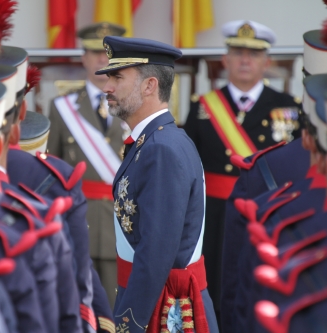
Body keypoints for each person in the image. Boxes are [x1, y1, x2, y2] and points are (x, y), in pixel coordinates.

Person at [94, 36, 218, 333]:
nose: (107, 87)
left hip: (162, 312)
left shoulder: (161, 148)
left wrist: (128, 323)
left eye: (117, 77)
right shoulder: (155, 141)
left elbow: (155, 252)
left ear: (150, 85)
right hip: (154, 301)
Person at [183, 20, 302, 321]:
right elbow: (188, 168)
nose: (245, 60)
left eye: (254, 53)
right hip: (214, 217)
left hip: (267, 214)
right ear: (225, 59)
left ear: (267, 60)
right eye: (237, 52)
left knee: (260, 287)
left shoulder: (288, 106)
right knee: (217, 285)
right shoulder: (202, 107)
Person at [47, 22, 126, 306]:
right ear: (83, 57)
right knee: (83, 304)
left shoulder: (135, 105)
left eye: (108, 53)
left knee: (121, 308)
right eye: (94, 52)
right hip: (80, 221)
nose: (102, 59)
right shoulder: (62, 108)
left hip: (124, 222)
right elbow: (52, 170)